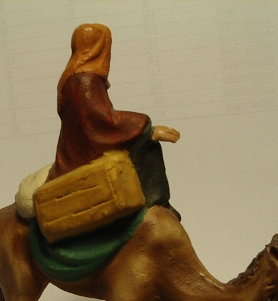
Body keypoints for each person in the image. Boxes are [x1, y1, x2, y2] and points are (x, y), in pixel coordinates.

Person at [47, 23, 181, 218]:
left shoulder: (74, 79)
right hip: (84, 152)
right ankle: (155, 202)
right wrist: (148, 129)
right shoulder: (85, 80)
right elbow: (102, 120)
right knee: (147, 146)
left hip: (80, 146)